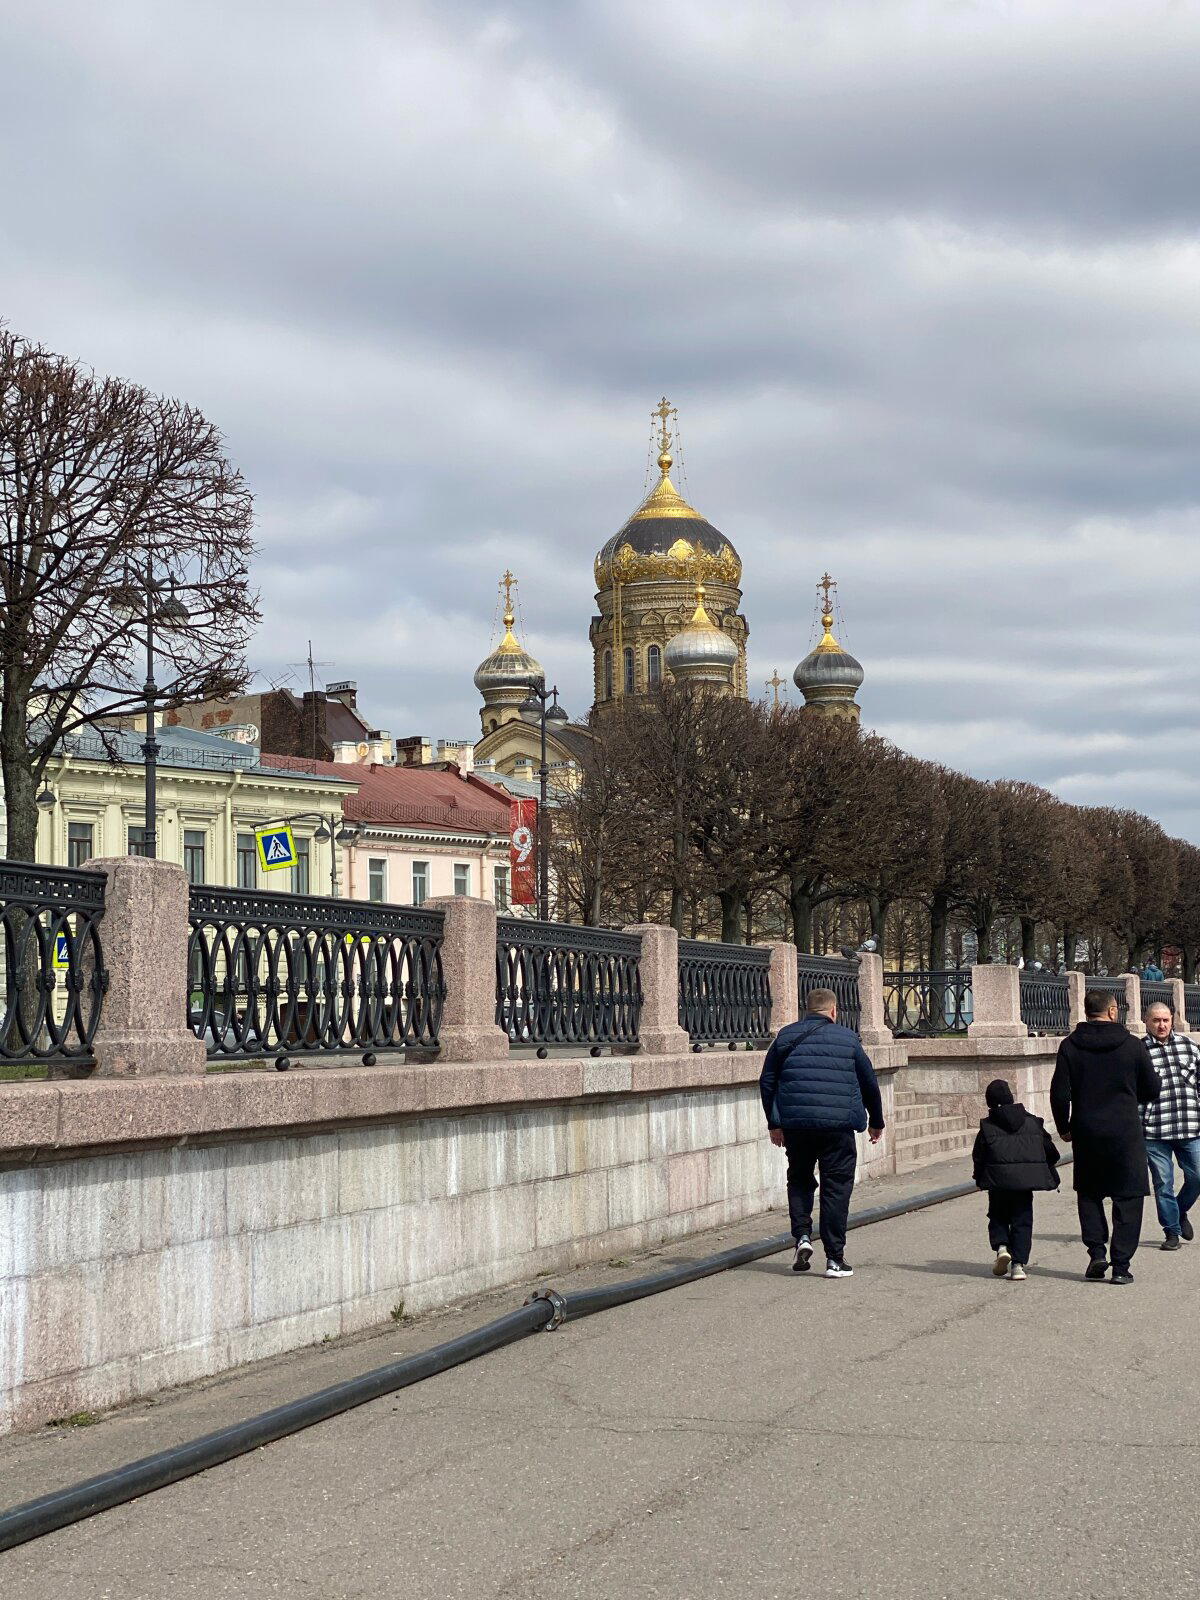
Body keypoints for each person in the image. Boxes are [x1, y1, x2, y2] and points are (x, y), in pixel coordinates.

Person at [759, 987, 884, 1279]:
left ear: (807, 1009)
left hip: (797, 1125)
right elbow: (869, 1084)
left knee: (800, 1180)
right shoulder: (849, 1039)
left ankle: (802, 1236)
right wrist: (876, 1121)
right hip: (837, 1128)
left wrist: (774, 1123)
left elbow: (767, 1081)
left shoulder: (785, 1037)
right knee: (836, 1189)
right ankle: (834, 1259)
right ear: (833, 1011)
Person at [1050, 988, 1161, 1285]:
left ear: (1086, 1012)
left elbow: (1059, 1093)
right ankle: (1121, 1266)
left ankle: (1097, 1252)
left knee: (1089, 1193)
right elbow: (1152, 1088)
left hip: (1087, 1130)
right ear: (1112, 1011)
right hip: (1125, 1130)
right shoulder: (1131, 1045)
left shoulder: (1070, 1045)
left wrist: (1064, 1127)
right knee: (1129, 1196)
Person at [971, 1078, 1060, 1281]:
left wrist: (980, 1178)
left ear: (989, 1103)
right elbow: (1050, 1151)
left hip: (998, 1181)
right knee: (1023, 1219)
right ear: (1011, 1098)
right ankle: (1018, 1265)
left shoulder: (987, 1127)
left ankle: (1002, 1247)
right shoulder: (1032, 1122)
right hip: (1024, 1184)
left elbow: (979, 1156)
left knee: (998, 1214)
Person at [1140, 1002, 1200, 1250]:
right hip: (1154, 1130)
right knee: (1163, 1184)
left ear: (1172, 1020)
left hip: (1190, 1127)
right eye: (1156, 1020)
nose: (1161, 1025)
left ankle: (1180, 1210)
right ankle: (1171, 1232)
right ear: (1146, 1021)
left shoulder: (1189, 1047)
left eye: (1165, 1020)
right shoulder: (1138, 1051)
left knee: (1197, 1176)